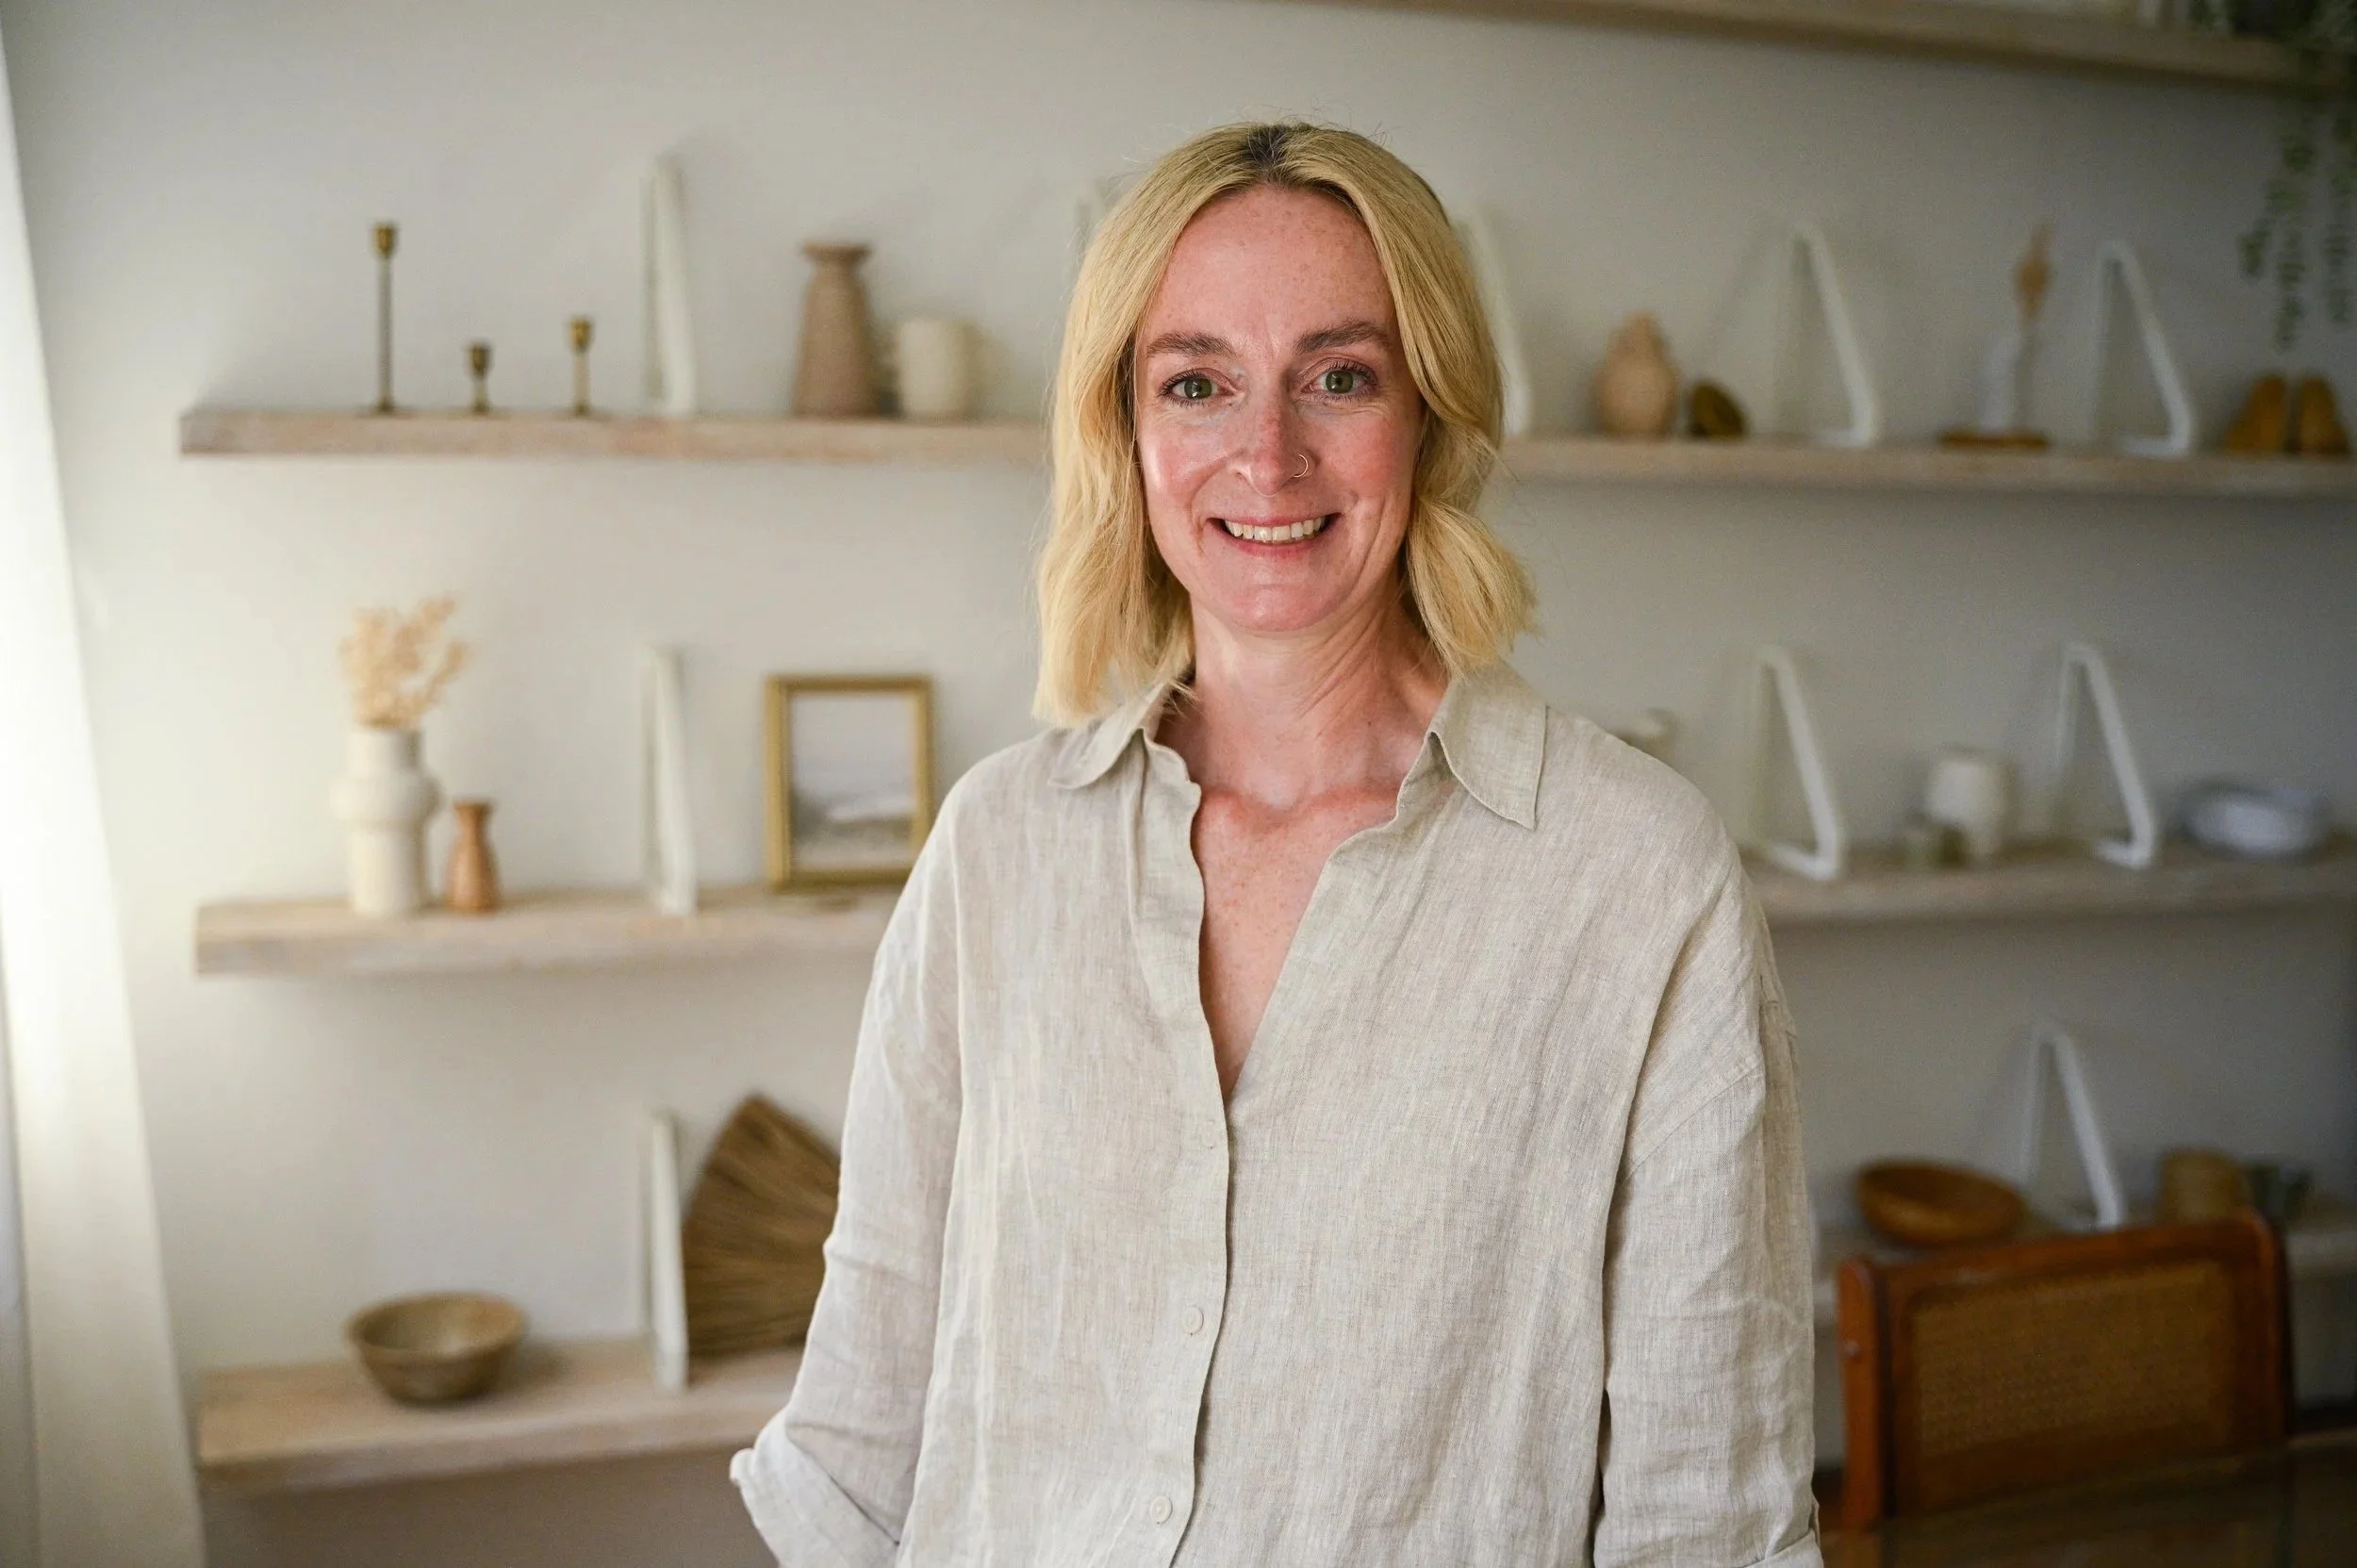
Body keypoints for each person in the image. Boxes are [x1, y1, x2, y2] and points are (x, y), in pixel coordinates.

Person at [733, 121, 1820, 1567]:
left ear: (1428, 415)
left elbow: (1707, 1520)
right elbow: (859, 1451)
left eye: (1340, 377)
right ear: (1124, 430)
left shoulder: (1633, 880)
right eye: (1198, 382)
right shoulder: (997, 852)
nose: (1267, 452)